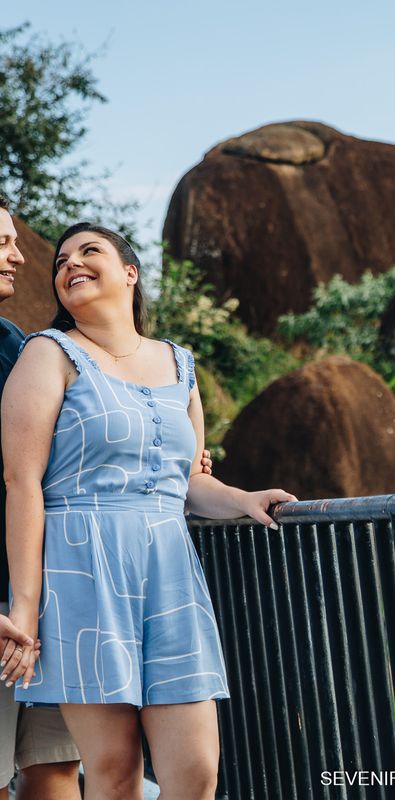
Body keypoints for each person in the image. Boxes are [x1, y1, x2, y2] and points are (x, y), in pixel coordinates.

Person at [2, 220, 293, 800]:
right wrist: (27, 609)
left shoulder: (180, 365)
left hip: (170, 575)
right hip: (82, 576)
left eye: (89, 251)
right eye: (61, 259)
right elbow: (22, 482)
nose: (69, 264)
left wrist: (244, 500)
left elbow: (186, 483)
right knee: (112, 772)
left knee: (197, 770)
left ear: (130, 273)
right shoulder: (46, 352)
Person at [0, 196, 81, 800]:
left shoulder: (16, 346)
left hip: (39, 602)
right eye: (3, 242)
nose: (18, 254)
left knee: (53, 768)